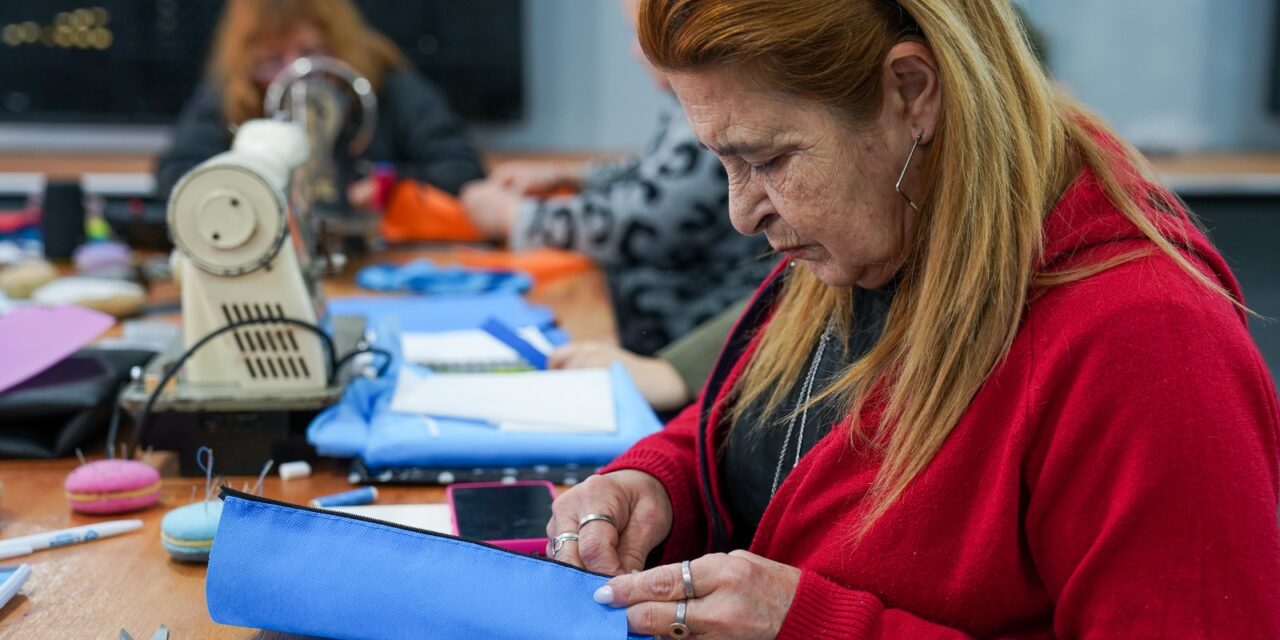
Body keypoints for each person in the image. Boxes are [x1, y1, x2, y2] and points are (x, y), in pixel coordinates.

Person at [546, 1, 1280, 638]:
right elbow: (771, 430)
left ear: (911, 91)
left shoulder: (1151, 348)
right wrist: (659, 487)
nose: (743, 213)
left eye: (768, 159)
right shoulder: (877, 228)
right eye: (724, 164)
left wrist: (809, 627)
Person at [461, 0, 773, 356]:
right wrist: (569, 174)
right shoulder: (682, 111)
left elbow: (648, 221)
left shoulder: (714, 114)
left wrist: (516, 218)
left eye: (639, 37)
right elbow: (648, 168)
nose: (634, 53)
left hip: (691, 333)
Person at [155, 0, 483, 209]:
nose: (294, 72)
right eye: (272, 60)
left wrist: (392, 186)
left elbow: (462, 170)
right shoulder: (234, 97)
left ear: (338, 44)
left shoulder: (387, 85)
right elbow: (178, 176)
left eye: (309, 52)